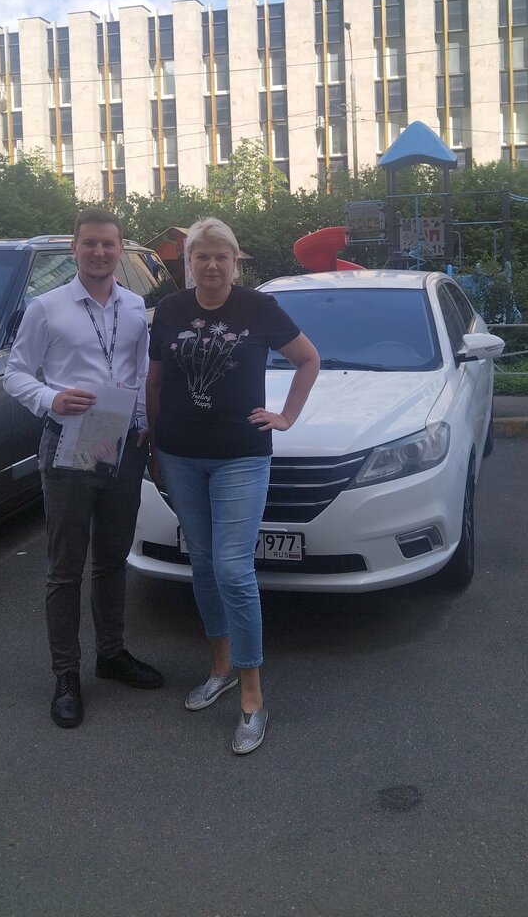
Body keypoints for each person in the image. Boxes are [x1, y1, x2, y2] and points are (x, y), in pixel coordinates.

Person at [147, 218, 319, 755]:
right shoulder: (170, 311)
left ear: (235, 261)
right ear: (189, 262)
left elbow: (308, 359)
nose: (212, 265)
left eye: (222, 256)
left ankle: (252, 694)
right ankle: (219, 668)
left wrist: (286, 416)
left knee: (232, 568)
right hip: (179, 455)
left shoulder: (258, 308)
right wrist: (153, 445)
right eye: (202, 256)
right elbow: (155, 380)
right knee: (201, 562)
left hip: (240, 457)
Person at [4, 207, 163, 729]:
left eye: (108, 244)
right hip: (69, 445)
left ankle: (111, 654)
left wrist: (144, 424)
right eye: (89, 243)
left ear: (120, 249)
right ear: (74, 248)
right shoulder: (46, 308)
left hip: (122, 445)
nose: (99, 252)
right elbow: (14, 374)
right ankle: (66, 674)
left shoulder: (135, 306)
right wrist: (50, 398)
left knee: (113, 558)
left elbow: (141, 372)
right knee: (65, 566)